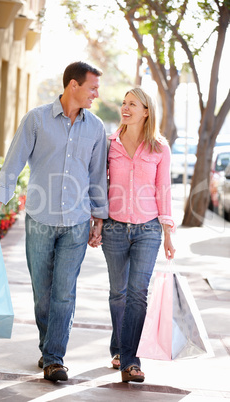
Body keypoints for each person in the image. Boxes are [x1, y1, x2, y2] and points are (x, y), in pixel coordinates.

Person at [0, 61, 108, 382]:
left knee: (64, 292)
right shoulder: (36, 120)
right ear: (73, 86)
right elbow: (13, 164)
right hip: (40, 219)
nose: (96, 94)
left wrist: (99, 219)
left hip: (77, 222)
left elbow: (97, 178)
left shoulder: (95, 128)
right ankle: (47, 347)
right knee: (43, 292)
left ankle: (54, 357)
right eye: (92, 87)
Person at [101, 87, 176, 383]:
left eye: (132, 104)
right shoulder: (109, 145)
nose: (125, 108)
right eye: (124, 103)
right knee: (118, 293)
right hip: (115, 228)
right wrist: (97, 222)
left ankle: (131, 361)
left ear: (146, 111)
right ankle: (119, 348)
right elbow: (98, 185)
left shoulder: (160, 148)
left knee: (137, 295)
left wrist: (168, 233)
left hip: (148, 230)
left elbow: (164, 191)